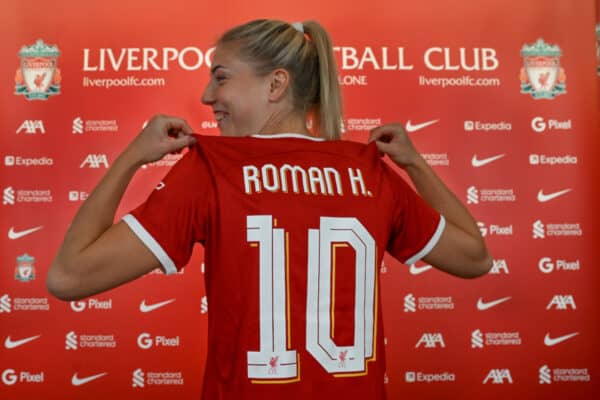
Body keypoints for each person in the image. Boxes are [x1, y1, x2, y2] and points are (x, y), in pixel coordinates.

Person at [47, 19, 491, 399]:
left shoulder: (211, 172)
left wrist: (130, 157)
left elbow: (68, 277)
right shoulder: (371, 175)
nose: (206, 95)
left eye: (221, 77)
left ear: (276, 84)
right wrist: (416, 165)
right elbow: (475, 257)